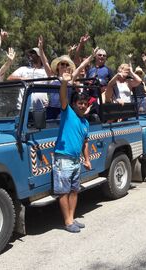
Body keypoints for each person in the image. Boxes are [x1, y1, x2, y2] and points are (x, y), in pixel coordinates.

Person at [53, 70, 91, 233]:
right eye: (79, 103)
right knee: (63, 192)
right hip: (63, 159)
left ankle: (71, 218)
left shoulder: (85, 123)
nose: (82, 105)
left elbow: (85, 143)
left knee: (75, 190)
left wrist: (87, 160)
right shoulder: (67, 114)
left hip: (76, 161)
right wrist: (64, 83)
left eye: (85, 103)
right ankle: (68, 222)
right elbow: (63, 98)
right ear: (74, 104)